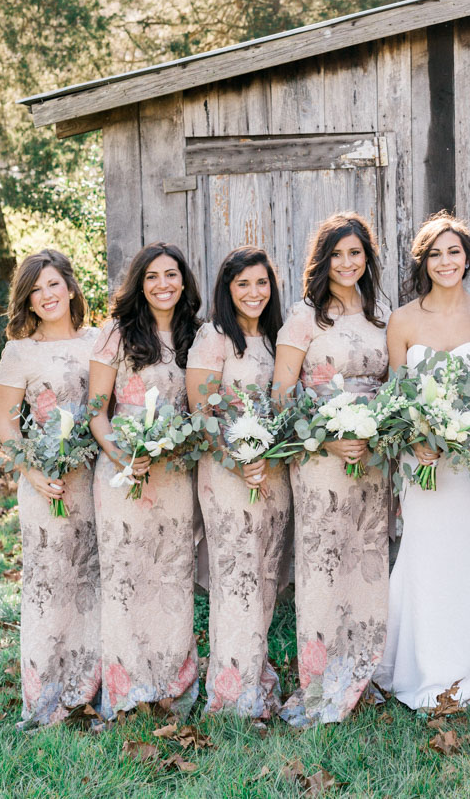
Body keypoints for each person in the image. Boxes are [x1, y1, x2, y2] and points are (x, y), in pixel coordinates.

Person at [373, 213, 470, 710]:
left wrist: (467, 434)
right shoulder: (403, 320)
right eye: (436, 253)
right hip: (420, 464)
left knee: (467, 560)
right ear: (422, 261)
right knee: (422, 558)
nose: (446, 262)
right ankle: (417, 666)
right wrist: (416, 438)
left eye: (455, 252)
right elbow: (397, 395)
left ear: (467, 257)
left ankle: (463, 670)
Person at [273, 212, 391, 727]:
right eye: (338, 254)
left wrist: (377, 430)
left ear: (367, 259)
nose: (348, 263)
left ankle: (364, 674)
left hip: (372, 459)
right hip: (321, 458)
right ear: (324, 260)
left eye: (356, 253)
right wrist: (330, 436)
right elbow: (281, 395)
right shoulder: (304, 319)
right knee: (323, 567)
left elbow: (393, 384)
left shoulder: (381, 313)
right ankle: (322, 682)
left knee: (367, 561)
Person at [88, 242, 203, 720]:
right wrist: (121, 457)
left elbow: (199, 411)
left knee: (173, 578)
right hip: (122, 474)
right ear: (139, 283)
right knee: (126, 580)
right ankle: (127, 687)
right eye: (153, 276)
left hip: (174, 475)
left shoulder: (195, 335)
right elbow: (96, 413)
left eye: (171, 275)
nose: (163, 285)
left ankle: (174, 688)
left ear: (184, 281)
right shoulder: (115, 335)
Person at [0, 249, 101, 727]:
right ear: (27, 301)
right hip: (47, 485)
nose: (47, 295)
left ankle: (92, 688)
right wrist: (31, 473)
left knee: (94, 581)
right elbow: (5, 422)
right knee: (49, 585)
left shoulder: (99, 341)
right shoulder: (20, 352)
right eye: (36, 290)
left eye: (53, 284)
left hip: (95, 482)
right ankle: (46, 697)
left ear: (71, 287)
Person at [187, 246, 293, 718]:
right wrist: (238, 460)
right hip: (229, 474)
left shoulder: (277, 338)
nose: (254, 292)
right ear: (227, 290)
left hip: (274, 474)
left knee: (266, 577)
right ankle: (231, 694)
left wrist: (267, 456)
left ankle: (255, 675)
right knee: (236, 580)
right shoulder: (214, 338)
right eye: (243, 284)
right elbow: (201, 410)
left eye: (262, 283)